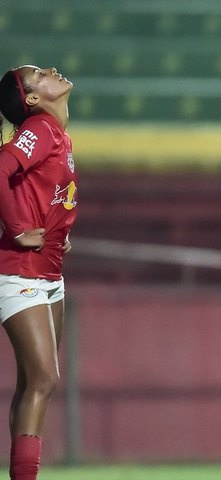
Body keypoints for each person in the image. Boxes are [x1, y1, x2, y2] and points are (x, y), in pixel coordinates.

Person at [0, 65, 77, 480]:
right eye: (38, 73)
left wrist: (57, 230)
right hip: (20, 271)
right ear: (31, 98)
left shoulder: (59, 135)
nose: (51, 70)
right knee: (44, 378)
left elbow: (37, 191)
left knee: (33, 382)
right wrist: (17, 230)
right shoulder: (42, 128)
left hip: (48, 272)